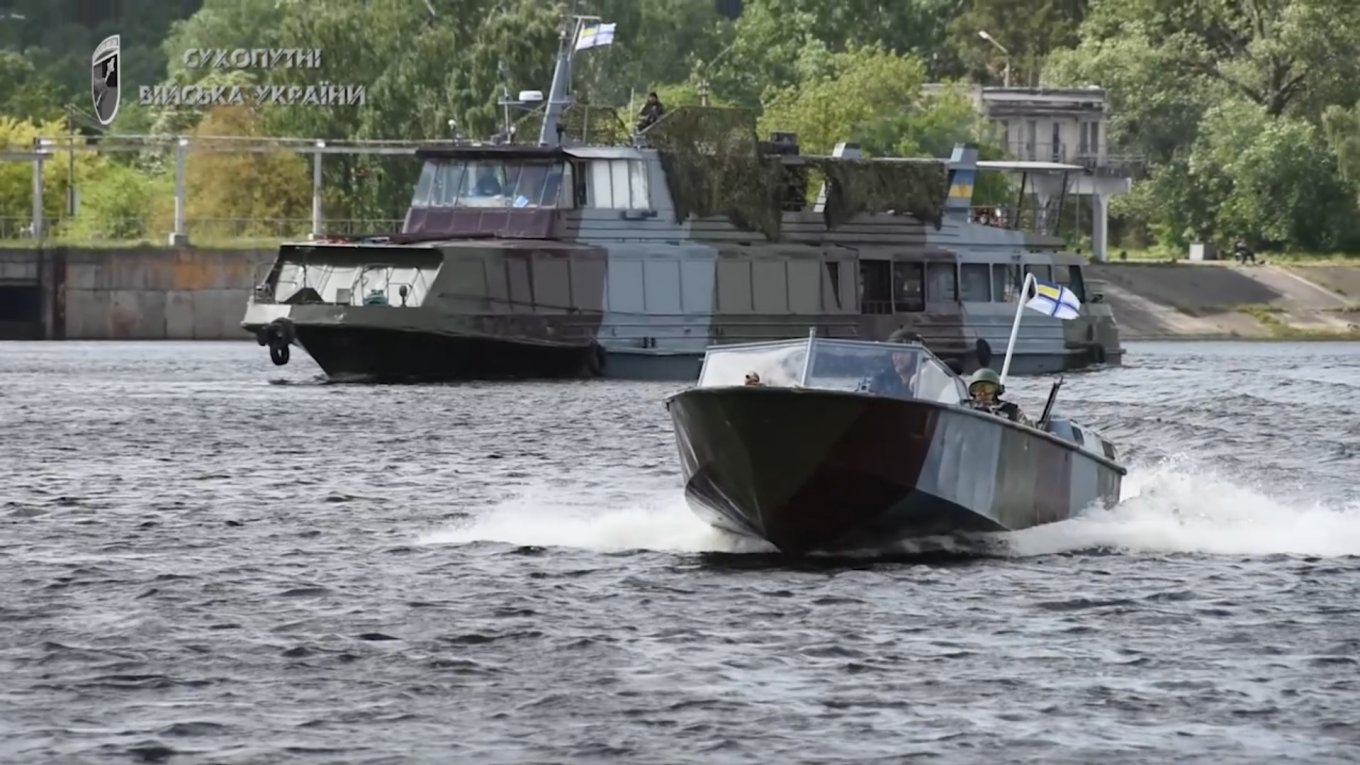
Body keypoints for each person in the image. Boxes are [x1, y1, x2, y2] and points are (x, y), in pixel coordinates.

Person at [857, 327, 923, 398]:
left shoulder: (924, 380)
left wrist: (923, 377)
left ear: (914, 355)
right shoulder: (881, 380)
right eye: (894, 352)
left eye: (903, 352)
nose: (898, 358)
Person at [966, 368, 1033, 426]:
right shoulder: (964, 408)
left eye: (988, 388)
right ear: (972, 391)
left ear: (996, 390)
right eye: (978, 389)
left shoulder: (1012, 411)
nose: (983, 393)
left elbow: (1027, 432)